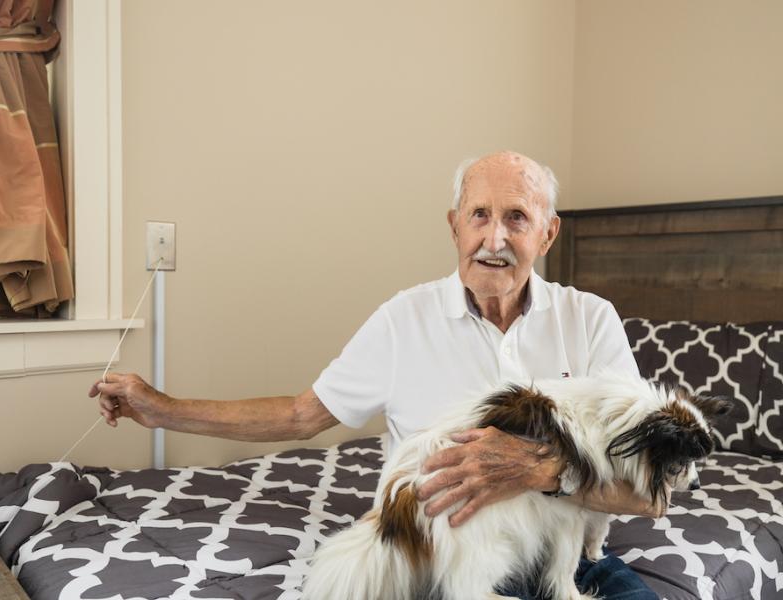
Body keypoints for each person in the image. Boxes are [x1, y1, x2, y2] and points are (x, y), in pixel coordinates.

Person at [91, 151, 659, 599]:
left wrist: (537, 470)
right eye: (479, 216)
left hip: (569, 563)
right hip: (440, 561)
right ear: (454, 226)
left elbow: (647, 496)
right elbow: (298, 414)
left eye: (517, 218)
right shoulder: (403, 319)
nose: (495, 238)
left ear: (548, 233)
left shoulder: (590, 320)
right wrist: (161, 407)